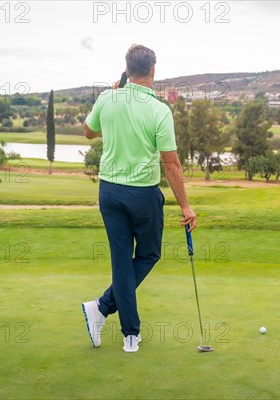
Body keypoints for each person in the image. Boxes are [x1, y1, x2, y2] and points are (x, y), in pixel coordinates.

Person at [81, 44, 197, 353]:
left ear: (127, 69)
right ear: (153, 72)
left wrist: (110, 94)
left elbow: (88, 132)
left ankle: (108, 314)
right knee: (147, 255)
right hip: (143, 195)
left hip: (109, 192)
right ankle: (119, 324)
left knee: (122, 260)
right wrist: (185, 205)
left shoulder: (107, 98)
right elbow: (171, 163)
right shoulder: (159, 110)